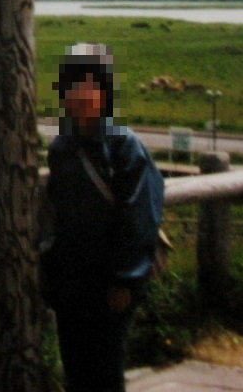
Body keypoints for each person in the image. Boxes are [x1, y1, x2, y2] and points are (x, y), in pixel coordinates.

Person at [41, 43, 164, 392]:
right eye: (72, 86)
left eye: (89, 85)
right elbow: (56, 214)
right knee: (76, 370)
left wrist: (124, 280)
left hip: (110, 283)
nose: (80, 94)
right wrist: (50, 272)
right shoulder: (62, 147)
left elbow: (141, 215)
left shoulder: (124, 147)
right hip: (71, 283)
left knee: (106, 370)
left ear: (105, 91)